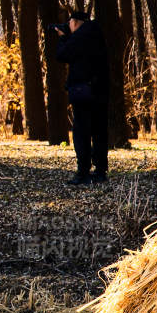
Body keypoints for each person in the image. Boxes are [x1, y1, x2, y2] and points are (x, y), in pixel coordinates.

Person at [49, 10, 109, 185]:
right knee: (99, 131)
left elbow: (62, 55)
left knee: (81, 132)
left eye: (69, 23)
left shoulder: (80, 36)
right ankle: (100, 171)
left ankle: (83, 171)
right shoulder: (97, 34)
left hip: (82, 91)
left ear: (75, 22)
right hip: (101, 91)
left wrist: (63, 38)